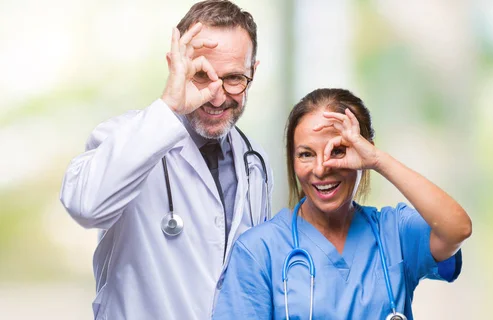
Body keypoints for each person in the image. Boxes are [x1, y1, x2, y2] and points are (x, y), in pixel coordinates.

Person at [59, 1, 272, 319]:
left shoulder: (253, 162)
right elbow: (86, 206)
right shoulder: (127, 137)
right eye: (202, 75)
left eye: (234, 78)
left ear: (253, 71)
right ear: (178, 68)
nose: (217, 95)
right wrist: (170, 105)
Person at [213, 88, 472, 320]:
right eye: (306, 154)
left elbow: (457, 229)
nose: (321, 169)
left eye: (338, 151)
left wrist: (379, 160)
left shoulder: (395, 233)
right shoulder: (259, 251)